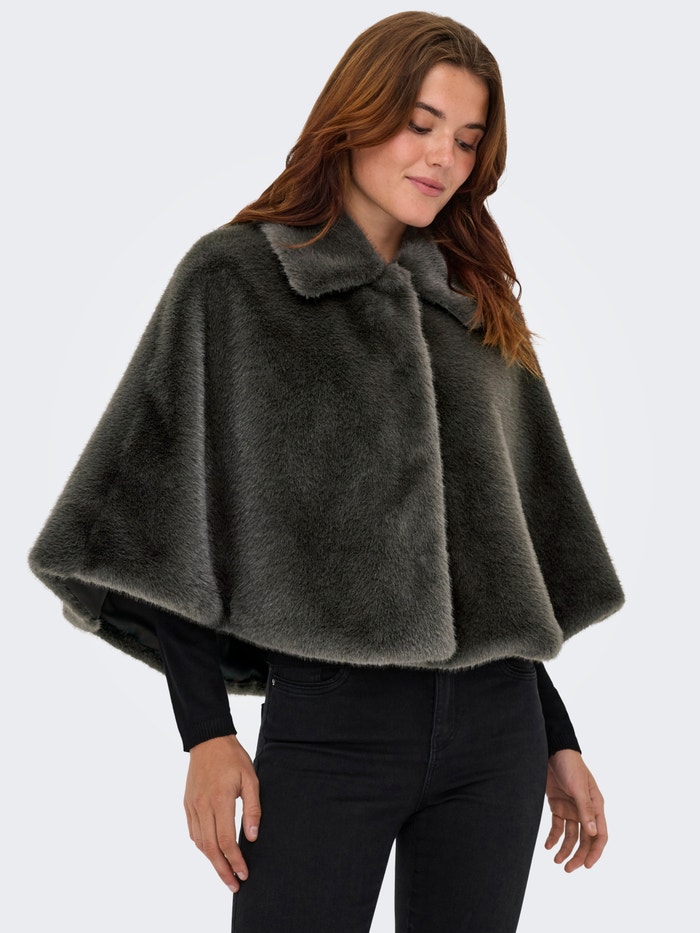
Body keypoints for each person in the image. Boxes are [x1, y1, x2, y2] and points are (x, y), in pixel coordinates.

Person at [27, 11, 624, 932]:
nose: (444, 158)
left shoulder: (471, 303)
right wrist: (205, 730)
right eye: (420, 124)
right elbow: (156, 526)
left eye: (468, 140)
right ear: (356, 113)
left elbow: (497, 561)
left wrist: (557, 735)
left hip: (498, 730)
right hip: (332, 728)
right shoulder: (234, 280)